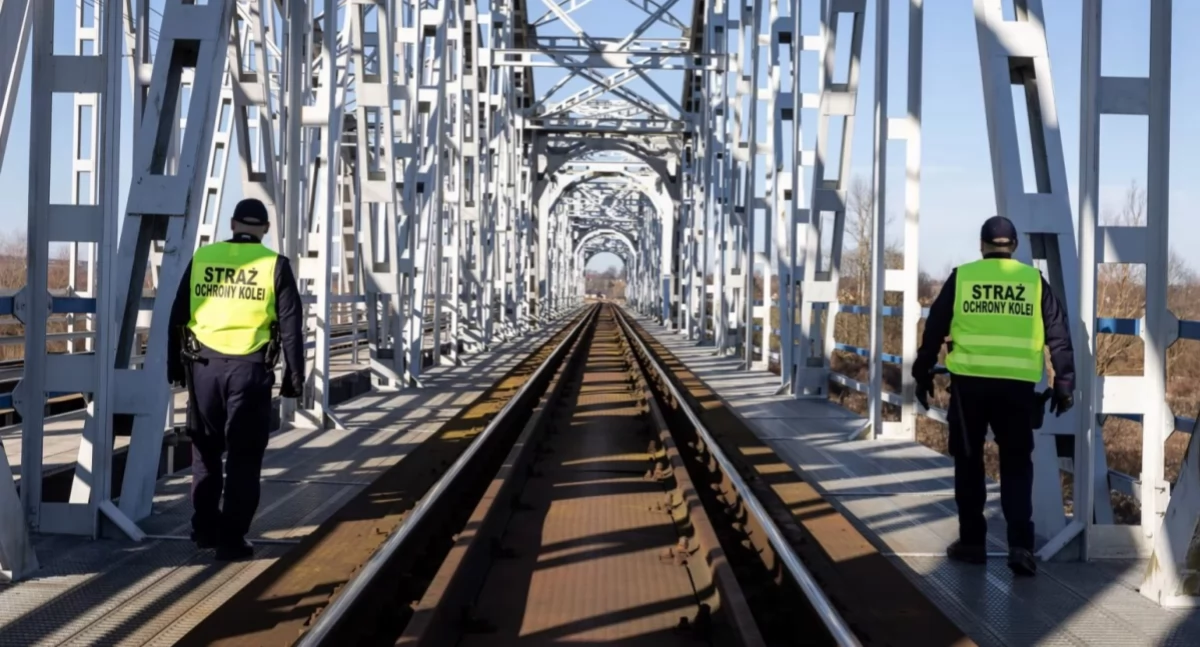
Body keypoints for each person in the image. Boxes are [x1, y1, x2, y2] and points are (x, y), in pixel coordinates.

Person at [912, 215, 1075, 577]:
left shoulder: (963, 278)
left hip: (969, 387)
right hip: (1017, 387)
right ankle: (1021, 546)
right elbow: (1058, 334)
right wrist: (1064, 382)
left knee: (969, 462)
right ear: (1013, 246)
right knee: (1016, 464)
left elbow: (935, 327)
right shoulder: (1033, 282)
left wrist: (921, 372)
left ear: (982, 246)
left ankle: (972, 543)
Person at [167, 199, 306, 561]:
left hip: (203, 369)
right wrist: (295, 376)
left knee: (205, 452)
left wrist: (173, 366)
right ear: (265, 229)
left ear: (232, 224)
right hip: (249, 372)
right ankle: (231, 540)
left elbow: (177, 315)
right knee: (243, 458)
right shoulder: (275, 265)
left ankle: (204, 529)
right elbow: (291, 327)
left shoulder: (203, 258)